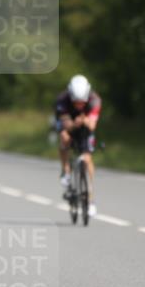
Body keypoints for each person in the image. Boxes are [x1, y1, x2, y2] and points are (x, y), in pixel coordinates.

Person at [55, 74, 101, 217]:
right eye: (76, 102)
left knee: (87, 159)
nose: (79, 105)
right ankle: (66, 171)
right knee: (64, 138)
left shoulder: (95, 100)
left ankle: (91, 200)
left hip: (85, 128)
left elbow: (92, 126)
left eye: (82, 102)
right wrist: (75, 124)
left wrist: (85, 120)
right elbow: (66, 124)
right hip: (68, 125)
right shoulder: (62, 100)